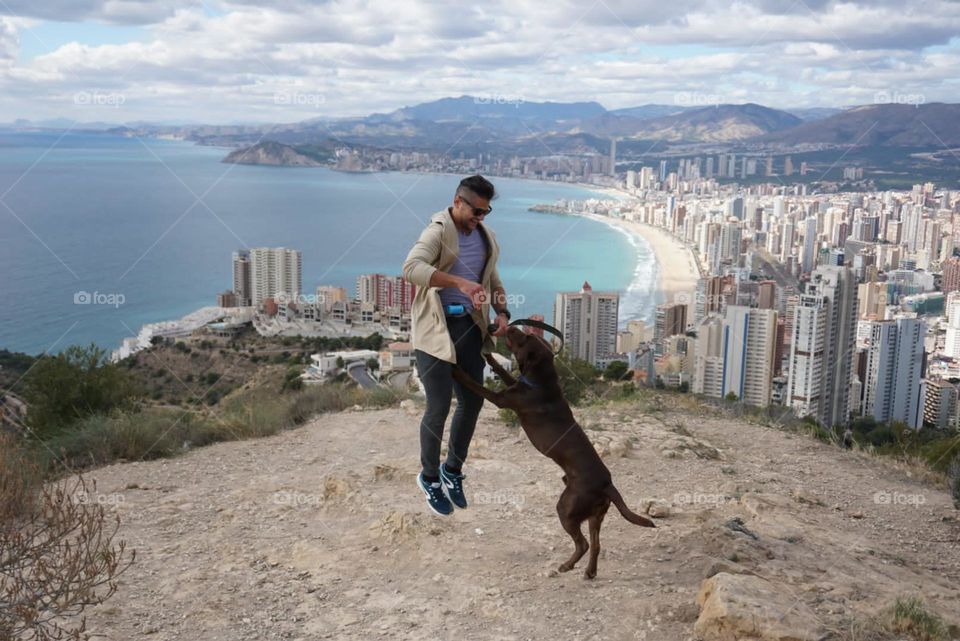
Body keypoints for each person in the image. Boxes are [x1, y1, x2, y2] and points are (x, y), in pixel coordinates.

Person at [402, 175, 511, 516]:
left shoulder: (486, 237)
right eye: (476, 210)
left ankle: (453, 470)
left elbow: (492, 279)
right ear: (458, 201)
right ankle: (430, 477)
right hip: (434, 329)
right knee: (438, 406)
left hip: (468, 326)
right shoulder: (437, 232)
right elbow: (411, 268)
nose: (480, 217)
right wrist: (459, 282)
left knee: (472, 401)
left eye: (486, 212)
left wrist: (503, 311)